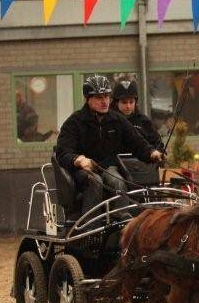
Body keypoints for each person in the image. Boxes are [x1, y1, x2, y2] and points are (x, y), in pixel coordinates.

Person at [55, 74, 162, 215]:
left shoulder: (117, 119)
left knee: (118, 181)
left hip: (108, 167)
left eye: (107, 96)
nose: (105, 101)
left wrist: (151, 153)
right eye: (99, 97)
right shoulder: (75, 122)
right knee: (95, 181)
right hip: (83, 170)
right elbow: (62, 152)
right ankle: (89, 227)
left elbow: (137, 142)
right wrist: (78, 160)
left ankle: (121, 222)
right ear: (88, 99)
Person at [111, 80, 165, 152]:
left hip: (141, 162)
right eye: (124, 102)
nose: (128, 106)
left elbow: (158, 144)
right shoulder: (108, 120)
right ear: (116, 103)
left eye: (131, 102)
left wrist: (158, 153)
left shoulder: (144, 121)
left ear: (135, 102)